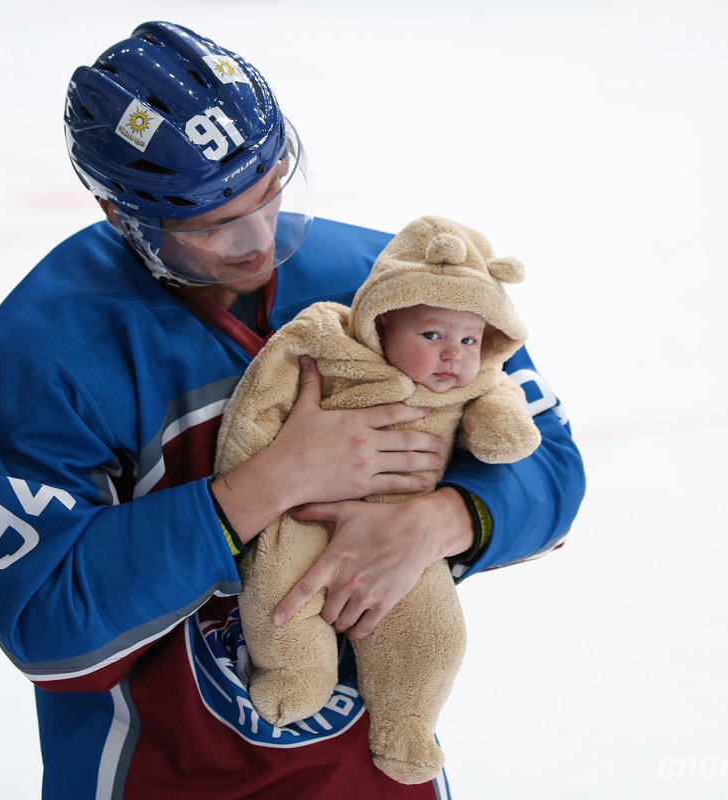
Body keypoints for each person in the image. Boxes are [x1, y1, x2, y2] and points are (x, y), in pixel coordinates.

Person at [0, 21, 585, 800]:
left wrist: (439, 520)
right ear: (123, 216)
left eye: (272, 188)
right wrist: (264, 487)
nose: (257, 240)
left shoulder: (382, 282)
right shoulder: (39, 365)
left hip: (376, 775)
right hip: (163, 779)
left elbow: (550, 461)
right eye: (212, 223)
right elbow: (47, 627)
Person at [215, 215, 544, 785]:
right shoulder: (329, 342)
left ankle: (405, 724)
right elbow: (262, 394)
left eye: (469, 340)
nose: (452, 356)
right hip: (302, 512)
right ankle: (298, 673)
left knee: (434, 634)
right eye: (433, 335)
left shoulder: (477, 380)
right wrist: (249, 474)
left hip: (401, 527)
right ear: (383, 321)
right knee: (279, 597)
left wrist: (498, 431)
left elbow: (507, 412)